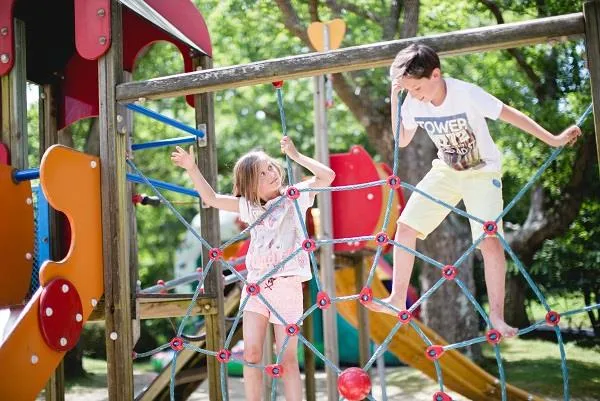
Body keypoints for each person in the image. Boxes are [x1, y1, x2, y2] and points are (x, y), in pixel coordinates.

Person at [365, 43, 582, 338]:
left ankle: (496, 316)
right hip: (446, 172)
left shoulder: (466, 94)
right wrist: (395, 98)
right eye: (408, 91)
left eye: (416, 88)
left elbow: (511, 115)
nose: (414, 95)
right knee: (405, 228)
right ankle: (396, 298)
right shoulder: (414, 102)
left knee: (488, 241)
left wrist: (553, 139)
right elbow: (401, 139)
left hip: (482, 172)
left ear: (436, 75)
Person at [171, 136, 335, 401]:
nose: (271, 173)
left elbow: (327, 176)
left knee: (287, 360)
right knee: (251, 354)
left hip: (286, 286)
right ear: (249, 186)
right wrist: (192, 168)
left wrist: (295, 155)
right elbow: (211, 199)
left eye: (270, 167)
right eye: (262, 173)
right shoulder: (249, 207)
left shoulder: (295, 196)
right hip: (256, 288)